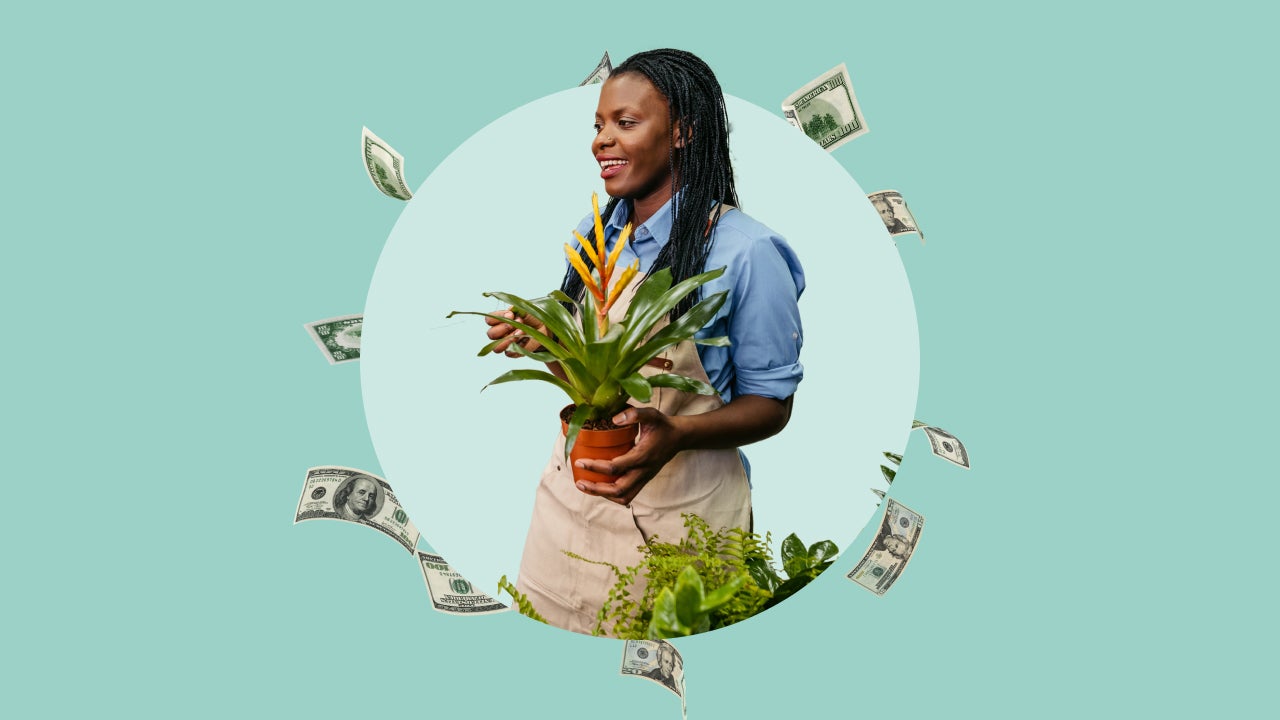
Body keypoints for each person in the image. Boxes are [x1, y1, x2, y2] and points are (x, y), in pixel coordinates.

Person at [485, 49, 805, 635]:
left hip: (680, 527)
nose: (601, 141)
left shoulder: (746, 253)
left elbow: (772, 405)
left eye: (625, 122)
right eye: (598, 125)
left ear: (683, 132)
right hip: (564, 516)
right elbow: (586, 382)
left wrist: (676, 433)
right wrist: (543, 339)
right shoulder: (596, 233)